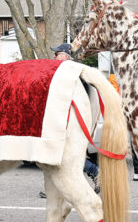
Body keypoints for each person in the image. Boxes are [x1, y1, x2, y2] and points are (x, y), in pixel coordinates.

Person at [40, 43, 99, 198]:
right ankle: (52, 189)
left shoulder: (69, 73)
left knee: (63, 155)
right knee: (55, 155)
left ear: (65, 55)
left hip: (69, 122)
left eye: (57, 53)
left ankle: (95, 172)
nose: (54, 56)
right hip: (66, 121)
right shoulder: (72, 72)